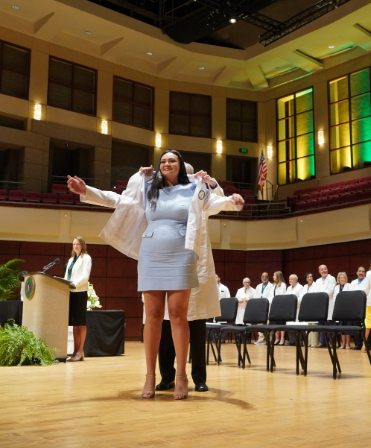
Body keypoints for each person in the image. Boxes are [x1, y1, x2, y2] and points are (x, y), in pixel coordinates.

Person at [69, 149, 244, 399]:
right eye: (163, 160)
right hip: (151, 254)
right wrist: (87, 191)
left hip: (181, 255)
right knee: (152, 316)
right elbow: (120, 200)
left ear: (181, 166)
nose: (166, 163)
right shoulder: (149, 188)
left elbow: (215, 202)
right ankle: (150, 376)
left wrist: (232, 201)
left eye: (172, 160)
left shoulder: (195, 187)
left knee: (178, 316)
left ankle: (182, 377)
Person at [157, 163, 224, 393]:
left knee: (196, 329)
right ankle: (166, 376)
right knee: (166, 328)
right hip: (170, 266)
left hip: (196, 268)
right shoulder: (163, 195)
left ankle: (199, 378)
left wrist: (212, 183)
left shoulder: (199, 193)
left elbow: (218, 203)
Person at [65, 236, 92, 362]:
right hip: (71, 293)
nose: (75, 246)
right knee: (74, 324)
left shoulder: (86, 258)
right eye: (74, 244)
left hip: (80, 292)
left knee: (81, 323)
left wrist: (74, 284)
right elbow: (67, 276)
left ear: (82, 245)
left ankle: (80, 350)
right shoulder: (71, 260)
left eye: (78, 244)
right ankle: (75, 351)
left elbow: (85, 277)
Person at [314, 265, 337, 348]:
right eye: (322, 269)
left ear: (327, 270)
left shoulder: (332, 278)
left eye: (325, 269)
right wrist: (320, 297)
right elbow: (316, 291)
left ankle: (332, 342)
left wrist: (321, 296)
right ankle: (322, 342)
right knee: (321, 324)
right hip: (321, 304)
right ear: (319, 271)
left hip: (330, 303)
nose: (324, 271)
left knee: (331, 324)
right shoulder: (317, 281)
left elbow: (330, 291)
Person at [350, 266, 370, 350]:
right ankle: (358, 344)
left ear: (365, 273)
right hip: (356, 307)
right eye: (359, 271)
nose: (361, 273)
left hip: (366, 306)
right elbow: (351, 293)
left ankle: (367, 344)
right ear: (356, 272)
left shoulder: (368, 281)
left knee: (367, 326)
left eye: (363, 271)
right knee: (356, 326)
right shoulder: (353, 282)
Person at [333, 272, 353, 349]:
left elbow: (350, 296)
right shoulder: (336, 287)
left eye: (344, 278)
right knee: (341, 327)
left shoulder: (349, 286)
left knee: (347, 326)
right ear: (338, 279)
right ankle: (343, 343)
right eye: (341, 278)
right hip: (340, 309)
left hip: (347, 309)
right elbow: (335, 297)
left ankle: (348, 343)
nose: (342, 279)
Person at [254, 272, 274, 345]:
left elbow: (271, 296)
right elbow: (256, 296)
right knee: (259, 323)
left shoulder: (271, 286)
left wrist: (264, 301)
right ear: (261, 277)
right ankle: (261, 338)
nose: (264, 278)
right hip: (260, 306)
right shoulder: (258, 286)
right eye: (263, 276)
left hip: (268, 306)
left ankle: (269, 339)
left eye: (265, 276)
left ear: (268, 277)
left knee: (269, 323)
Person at [299, 272, 318, 347]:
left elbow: (316, 295)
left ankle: (314, 343)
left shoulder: (316, 285)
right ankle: (309, 342)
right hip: (306, 307)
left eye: (311, 276)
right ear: (306, 279)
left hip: (314, 306)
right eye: (308, 277)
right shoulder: (304, 286)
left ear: (313, 277)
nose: (309, 278)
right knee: (307, 325)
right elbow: (301, 296)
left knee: (313, 325)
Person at [284, 274, 303, 346]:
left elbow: (301, 298)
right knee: (289, 325)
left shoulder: (300, 287)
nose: (289, 280)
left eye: (291, 279)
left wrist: (293, 303)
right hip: (289, 309)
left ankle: (299, 341)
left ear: (295, 279)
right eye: (289, 279)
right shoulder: (288, 288)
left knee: (297, 325)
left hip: (296, 308)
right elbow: (286, 297)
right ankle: (291, 340)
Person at [272, 271, 287, 345]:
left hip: (281, 305)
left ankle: (282, 338)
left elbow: (282, 295)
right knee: (276, 323)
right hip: (275, 305)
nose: (273, 277)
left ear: (278, 276)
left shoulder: (283, 285)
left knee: (282, 323)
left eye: (274, 275)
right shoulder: (274, 285)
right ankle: (277, 338)